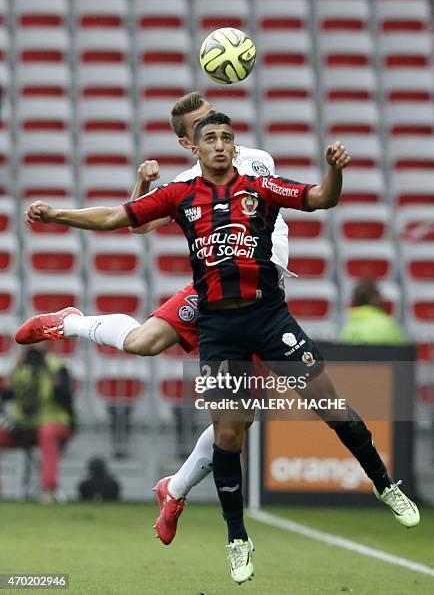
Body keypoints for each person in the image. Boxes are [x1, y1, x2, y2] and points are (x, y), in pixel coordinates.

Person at [19, 114, 419, 584]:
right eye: (210, 138)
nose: (221, 145)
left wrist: (336, 170)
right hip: (217, 325)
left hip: (268, 317)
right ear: (193, 148)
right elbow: (120, 218)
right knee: (223, 429)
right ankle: (236, 538)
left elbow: (319, 198)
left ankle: (385, 485)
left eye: (227, 137)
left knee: (327, 404)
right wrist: (57, 215)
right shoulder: (181, 193)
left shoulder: (260, 183)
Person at [16, 91, 290, 543]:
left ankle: (174, 489)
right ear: (189, 143)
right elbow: (135, 223)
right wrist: (141, 185)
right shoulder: (185, 183)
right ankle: (69, 322)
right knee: (145, 343)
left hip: (264, 299)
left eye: (217, 121)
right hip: (214, 292)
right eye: (203, 125)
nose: (215, 128)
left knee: (238, 423)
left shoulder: (259, 159)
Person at [0, 346, 74, 501]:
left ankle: (48, 489)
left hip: (55, 424)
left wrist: (48, 371)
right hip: (24, 426)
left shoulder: (57, 367)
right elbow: (5, 396)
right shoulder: (20, 369)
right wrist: (15, 369)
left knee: (47, 433)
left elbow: (65, 398)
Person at [341, 279, 406, 345]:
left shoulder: (348, 328)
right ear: (374, 299)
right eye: (379, 296)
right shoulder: (387, 324)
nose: (382, 299)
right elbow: (401, 352)